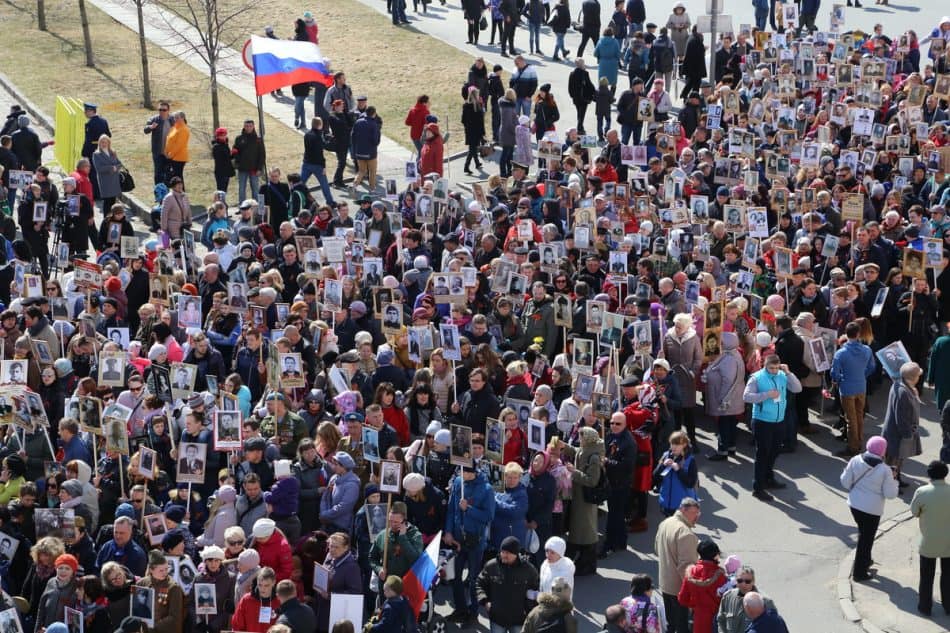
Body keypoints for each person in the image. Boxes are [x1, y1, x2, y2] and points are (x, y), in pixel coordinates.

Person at [742, 355, 803, 501]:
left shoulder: (782, 375)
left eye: (777, 368)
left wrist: (788, 373)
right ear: (765, 365)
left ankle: (769, 478)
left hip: (779, 421)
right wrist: (766, 395)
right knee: (762, 454)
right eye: (771, 368)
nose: (774, 371)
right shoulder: (757, 377)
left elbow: (797, 388)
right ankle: (758, 487)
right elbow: (746, 396)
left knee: (774, 451)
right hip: (762, 421)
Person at [840, 436, 900, 582]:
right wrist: (893, 479)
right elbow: (890, 494)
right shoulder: (885, 470)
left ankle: (866, 561)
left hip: (854, 505)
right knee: (866, 540)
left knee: (864, 534)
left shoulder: (855, 460)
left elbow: (845, 481)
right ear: (883, 451)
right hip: (872, 510)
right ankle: (859, 573)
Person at [831, 322, 877, 458]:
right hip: (861, 386)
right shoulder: (867, 350)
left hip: (847, 388)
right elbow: (872, 367)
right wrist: (863, 376)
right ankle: (859, 442)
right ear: (858, 334)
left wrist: (840, 380)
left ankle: (853, 447)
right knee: (859, 416)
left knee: (851, 419)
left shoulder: (841, 353)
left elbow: (834, 373)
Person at [476, 536, 540, 632]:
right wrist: (485, 601)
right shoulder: (491, 566)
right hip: (497, 619)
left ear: (516, 554)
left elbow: (536, 590)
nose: (504, 555)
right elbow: (479, 583)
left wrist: (529, 610)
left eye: (508, 553)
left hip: (519, 620)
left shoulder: (528, 570)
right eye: (503, 552)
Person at [882, 362, 924, 488]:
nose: (919, 377)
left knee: (899, 460)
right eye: (918, 375)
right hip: (898, 435)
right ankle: (891, 485)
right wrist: (908, 435)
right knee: (892, 462)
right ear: (913, 377)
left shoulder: (904, 386)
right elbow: (901, 418)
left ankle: (897, 479)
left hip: (899, 433)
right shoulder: (903, 392)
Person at [716, 566, 777, 633]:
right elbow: (721, 620)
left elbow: (774, 626)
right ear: (735, 581)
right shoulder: (728, 597)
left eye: (747, 581)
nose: (743, 584)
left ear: (753, 581)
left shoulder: (766, 602)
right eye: (740, 581)